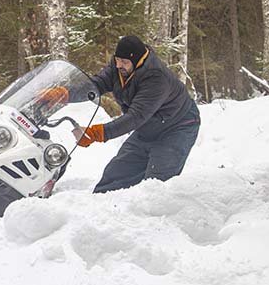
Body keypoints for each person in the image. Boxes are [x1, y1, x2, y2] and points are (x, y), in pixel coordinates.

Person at [67, 35, 200, 193]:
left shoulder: (156, 78)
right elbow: (97, 84)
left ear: (137, 60)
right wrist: (65, 94)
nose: (118, 65)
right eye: (117, 60)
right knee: (114, 175)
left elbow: (136, 116)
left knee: (155, 185)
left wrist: (96, 133)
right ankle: (104, 211)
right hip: (147, 128)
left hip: (177, 127)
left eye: (124, 62)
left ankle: (153, 216)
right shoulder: (119, 67)